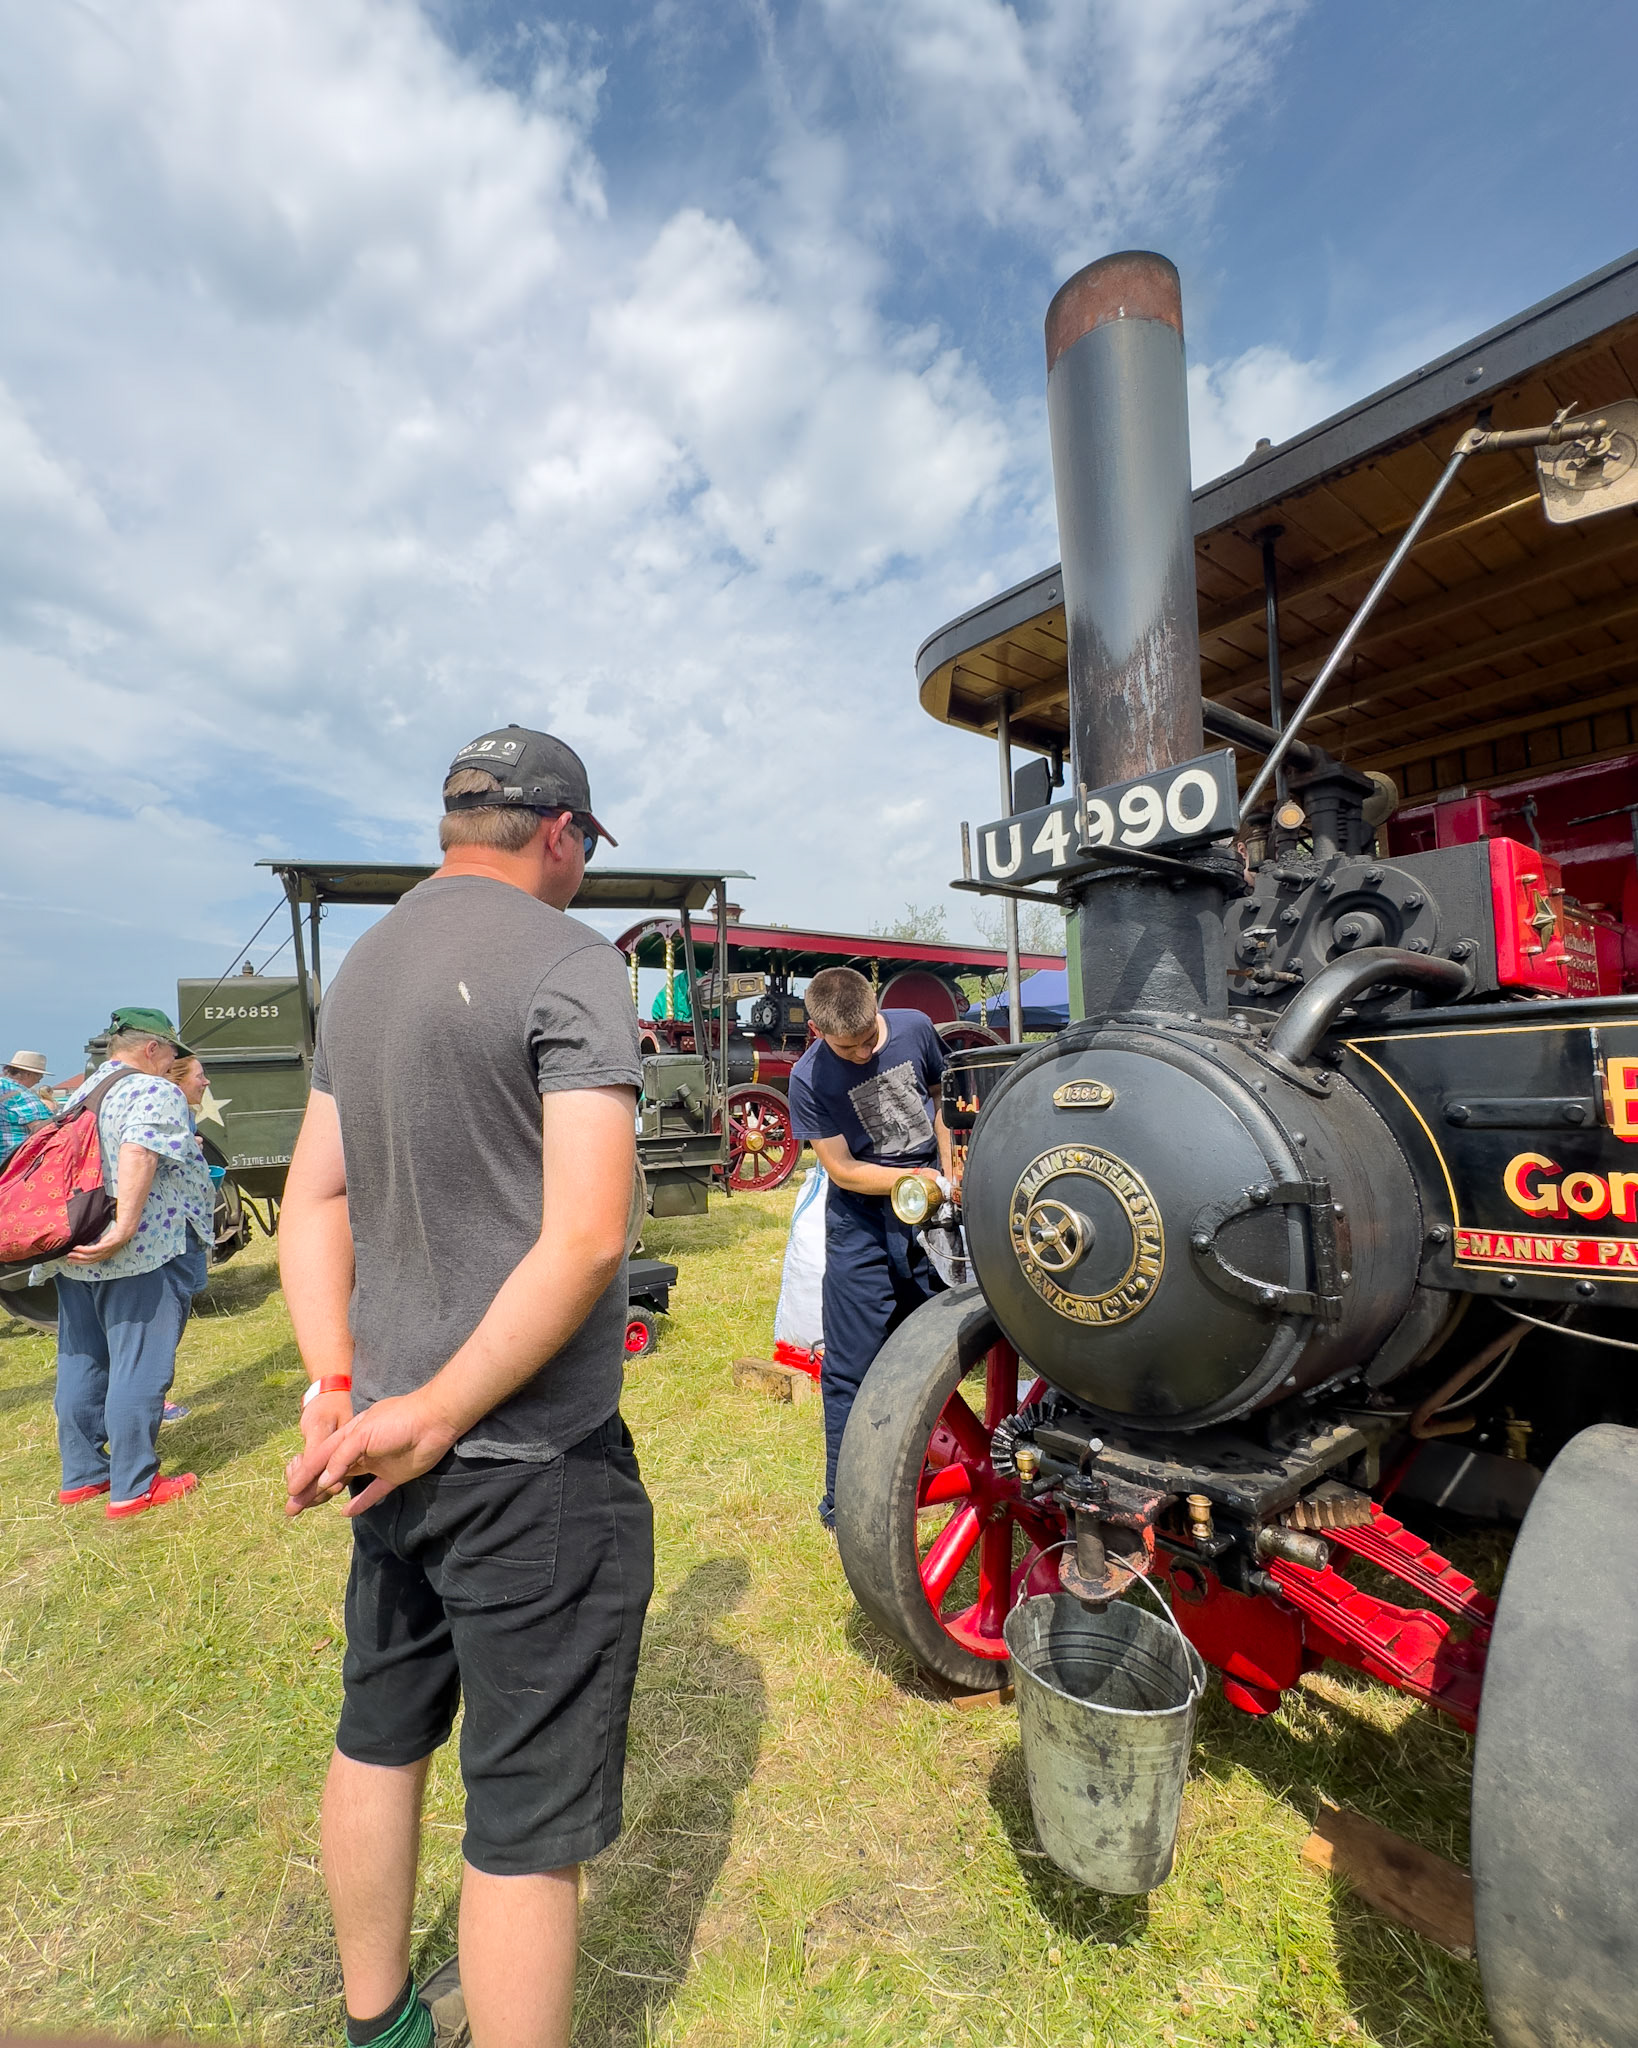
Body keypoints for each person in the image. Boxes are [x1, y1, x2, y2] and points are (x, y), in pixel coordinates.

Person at [280, 724, 652, 2048]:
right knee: (525, 1823)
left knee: (377, 1735)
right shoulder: (570, 960)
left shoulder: (366, 967)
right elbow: (589, 1235)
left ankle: (378, 2024)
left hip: (380, 1450)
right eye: (583, 847)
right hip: (525, 1459)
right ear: (559, 833)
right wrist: (441, 1414)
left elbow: (312, 1199)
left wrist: (336, 1383)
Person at [787, 968, 953, 1530]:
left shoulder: (916, 1028)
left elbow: (941, 1101)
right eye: (847, 1048)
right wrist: (914, 1182)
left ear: (879, 1009)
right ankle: (844, 1501)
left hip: (931, 1203)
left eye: (868, 1040)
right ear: (817, 1032)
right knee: (850, 1366)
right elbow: (841, 1169)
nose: (861, 1054)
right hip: (860, 1218)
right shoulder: (808, 1077)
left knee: (936, 1346)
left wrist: (948, 1173)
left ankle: (936, 1472)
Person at [50, 1009, 211, 1517]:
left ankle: (83, 1475)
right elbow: (139, 1151)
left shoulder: (81, 1092)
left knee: (82, 1360)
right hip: (139, 1249)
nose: (172, 1062)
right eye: (171, 1052)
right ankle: (134, 1485)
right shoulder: (153, 1088)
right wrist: (124, 1227)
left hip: (79, 1245)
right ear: (152, 1048)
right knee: (139, 1365)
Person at [1, 1050, 53, 1168]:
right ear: (27, 1074)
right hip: (15, 1162)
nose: (40, 1079)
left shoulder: (2, 1086)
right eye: (39, 1074)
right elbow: (42, 1129)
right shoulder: (23, 1095)